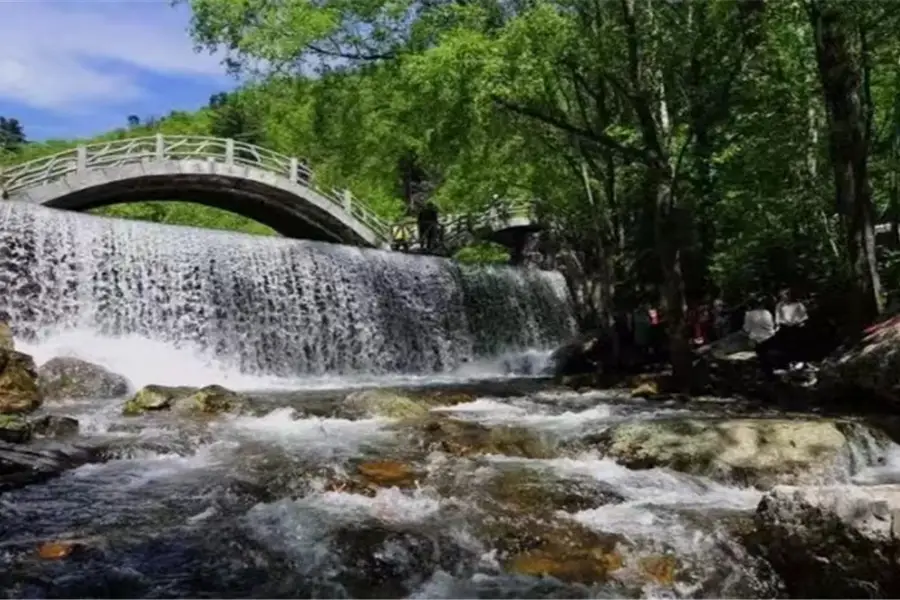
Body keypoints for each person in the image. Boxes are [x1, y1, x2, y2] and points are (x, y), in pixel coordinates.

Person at [743, 296, 778, 377]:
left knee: (763, 358)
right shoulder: (766, 312)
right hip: (770, 336)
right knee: (770, 355)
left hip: (758, 339)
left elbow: (747, 328)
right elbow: (771, 325)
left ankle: (768, 375)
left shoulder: (748, 314)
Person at [774, 288, 809, 369]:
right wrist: (778, 325)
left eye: (786, 295)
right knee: (785, 346)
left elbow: (804, 316)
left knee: (798, 344)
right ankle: (788, 362)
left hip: (796, 327)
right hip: (785, 327)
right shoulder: (779, 305)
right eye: (782, 296)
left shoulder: (798, 305)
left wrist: (800, 322)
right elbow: (777, 317)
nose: (784, 297)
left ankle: (800, 361)